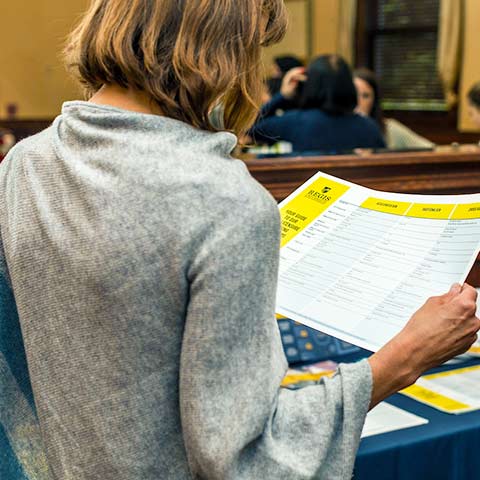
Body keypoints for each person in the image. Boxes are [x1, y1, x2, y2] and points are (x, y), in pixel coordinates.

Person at [0, 1, 478, 479]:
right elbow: (245, 455)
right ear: (225, 53)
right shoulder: (222, 200)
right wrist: (405, 356)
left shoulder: (24, 163)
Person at [250, 55, 386, 153]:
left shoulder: (296, 121)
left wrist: (282, 96)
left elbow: (252, 128)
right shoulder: (368, 127)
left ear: (312, 85)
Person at [354, 68, 435, 150]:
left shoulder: (389, 129)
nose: (358, 102)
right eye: (354, 95)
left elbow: (430, 149)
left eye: (365, 96)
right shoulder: (342, 131)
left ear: (374, 101)